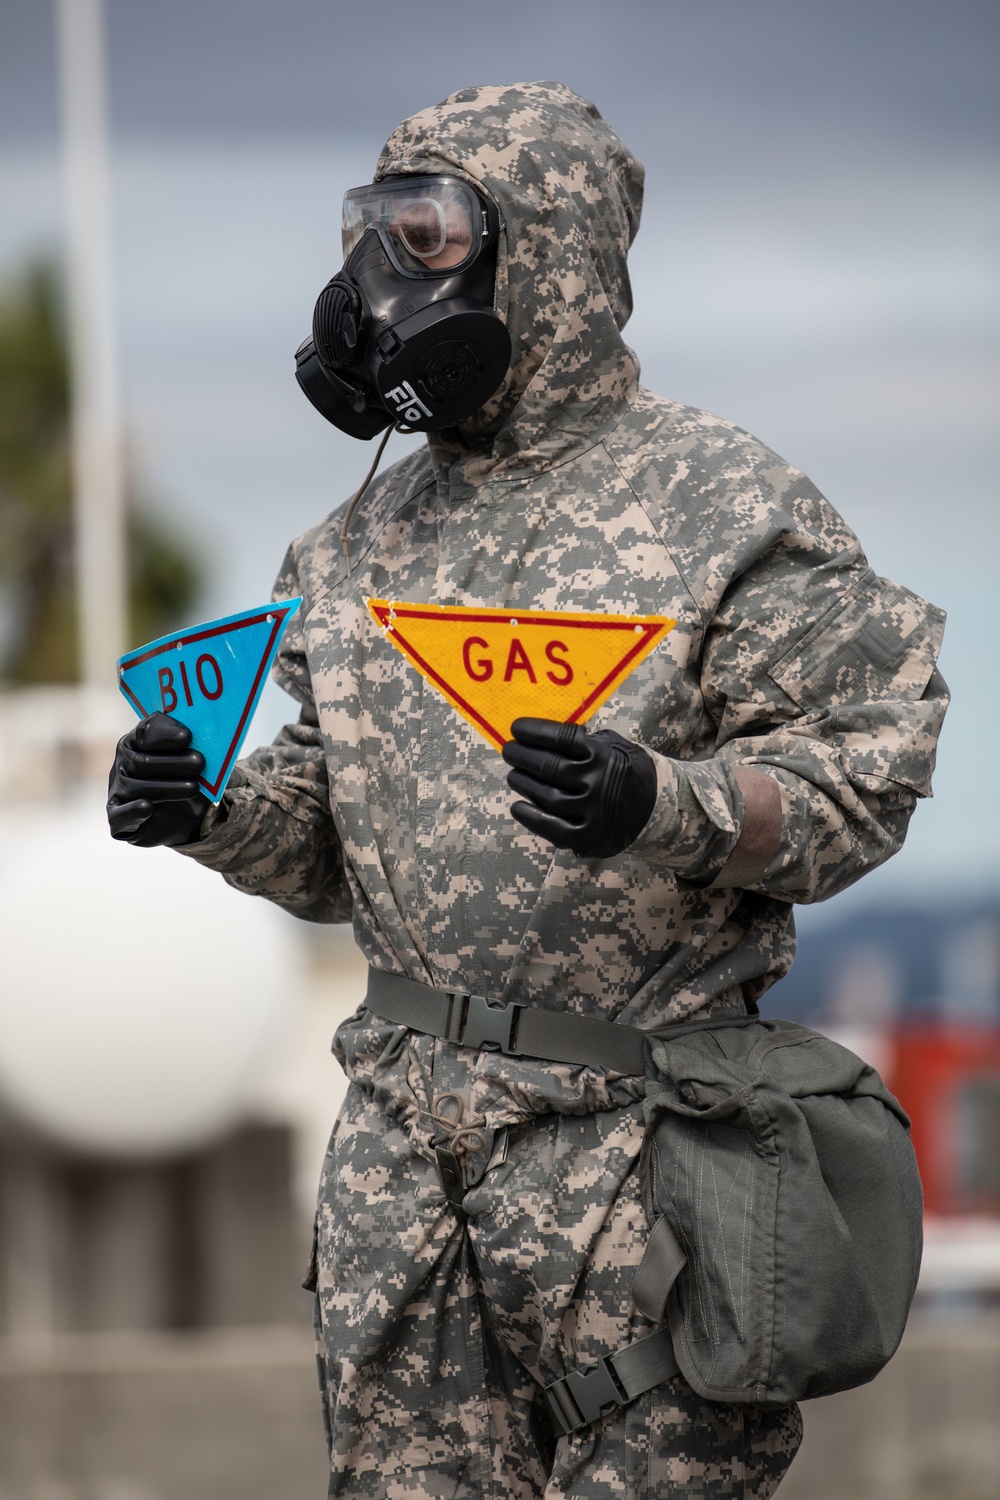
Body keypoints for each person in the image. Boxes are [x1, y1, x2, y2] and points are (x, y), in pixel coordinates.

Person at [107, 82, 948, 1498]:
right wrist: (214, 816)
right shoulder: (347, 546)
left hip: (639, 1164)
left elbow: (865, 774)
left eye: (428, 235)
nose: (376, 279)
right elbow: (333, 847)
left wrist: (661, 804)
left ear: (541, 250)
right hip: (403, 1164)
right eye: (371, 231)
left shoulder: (730, 507)